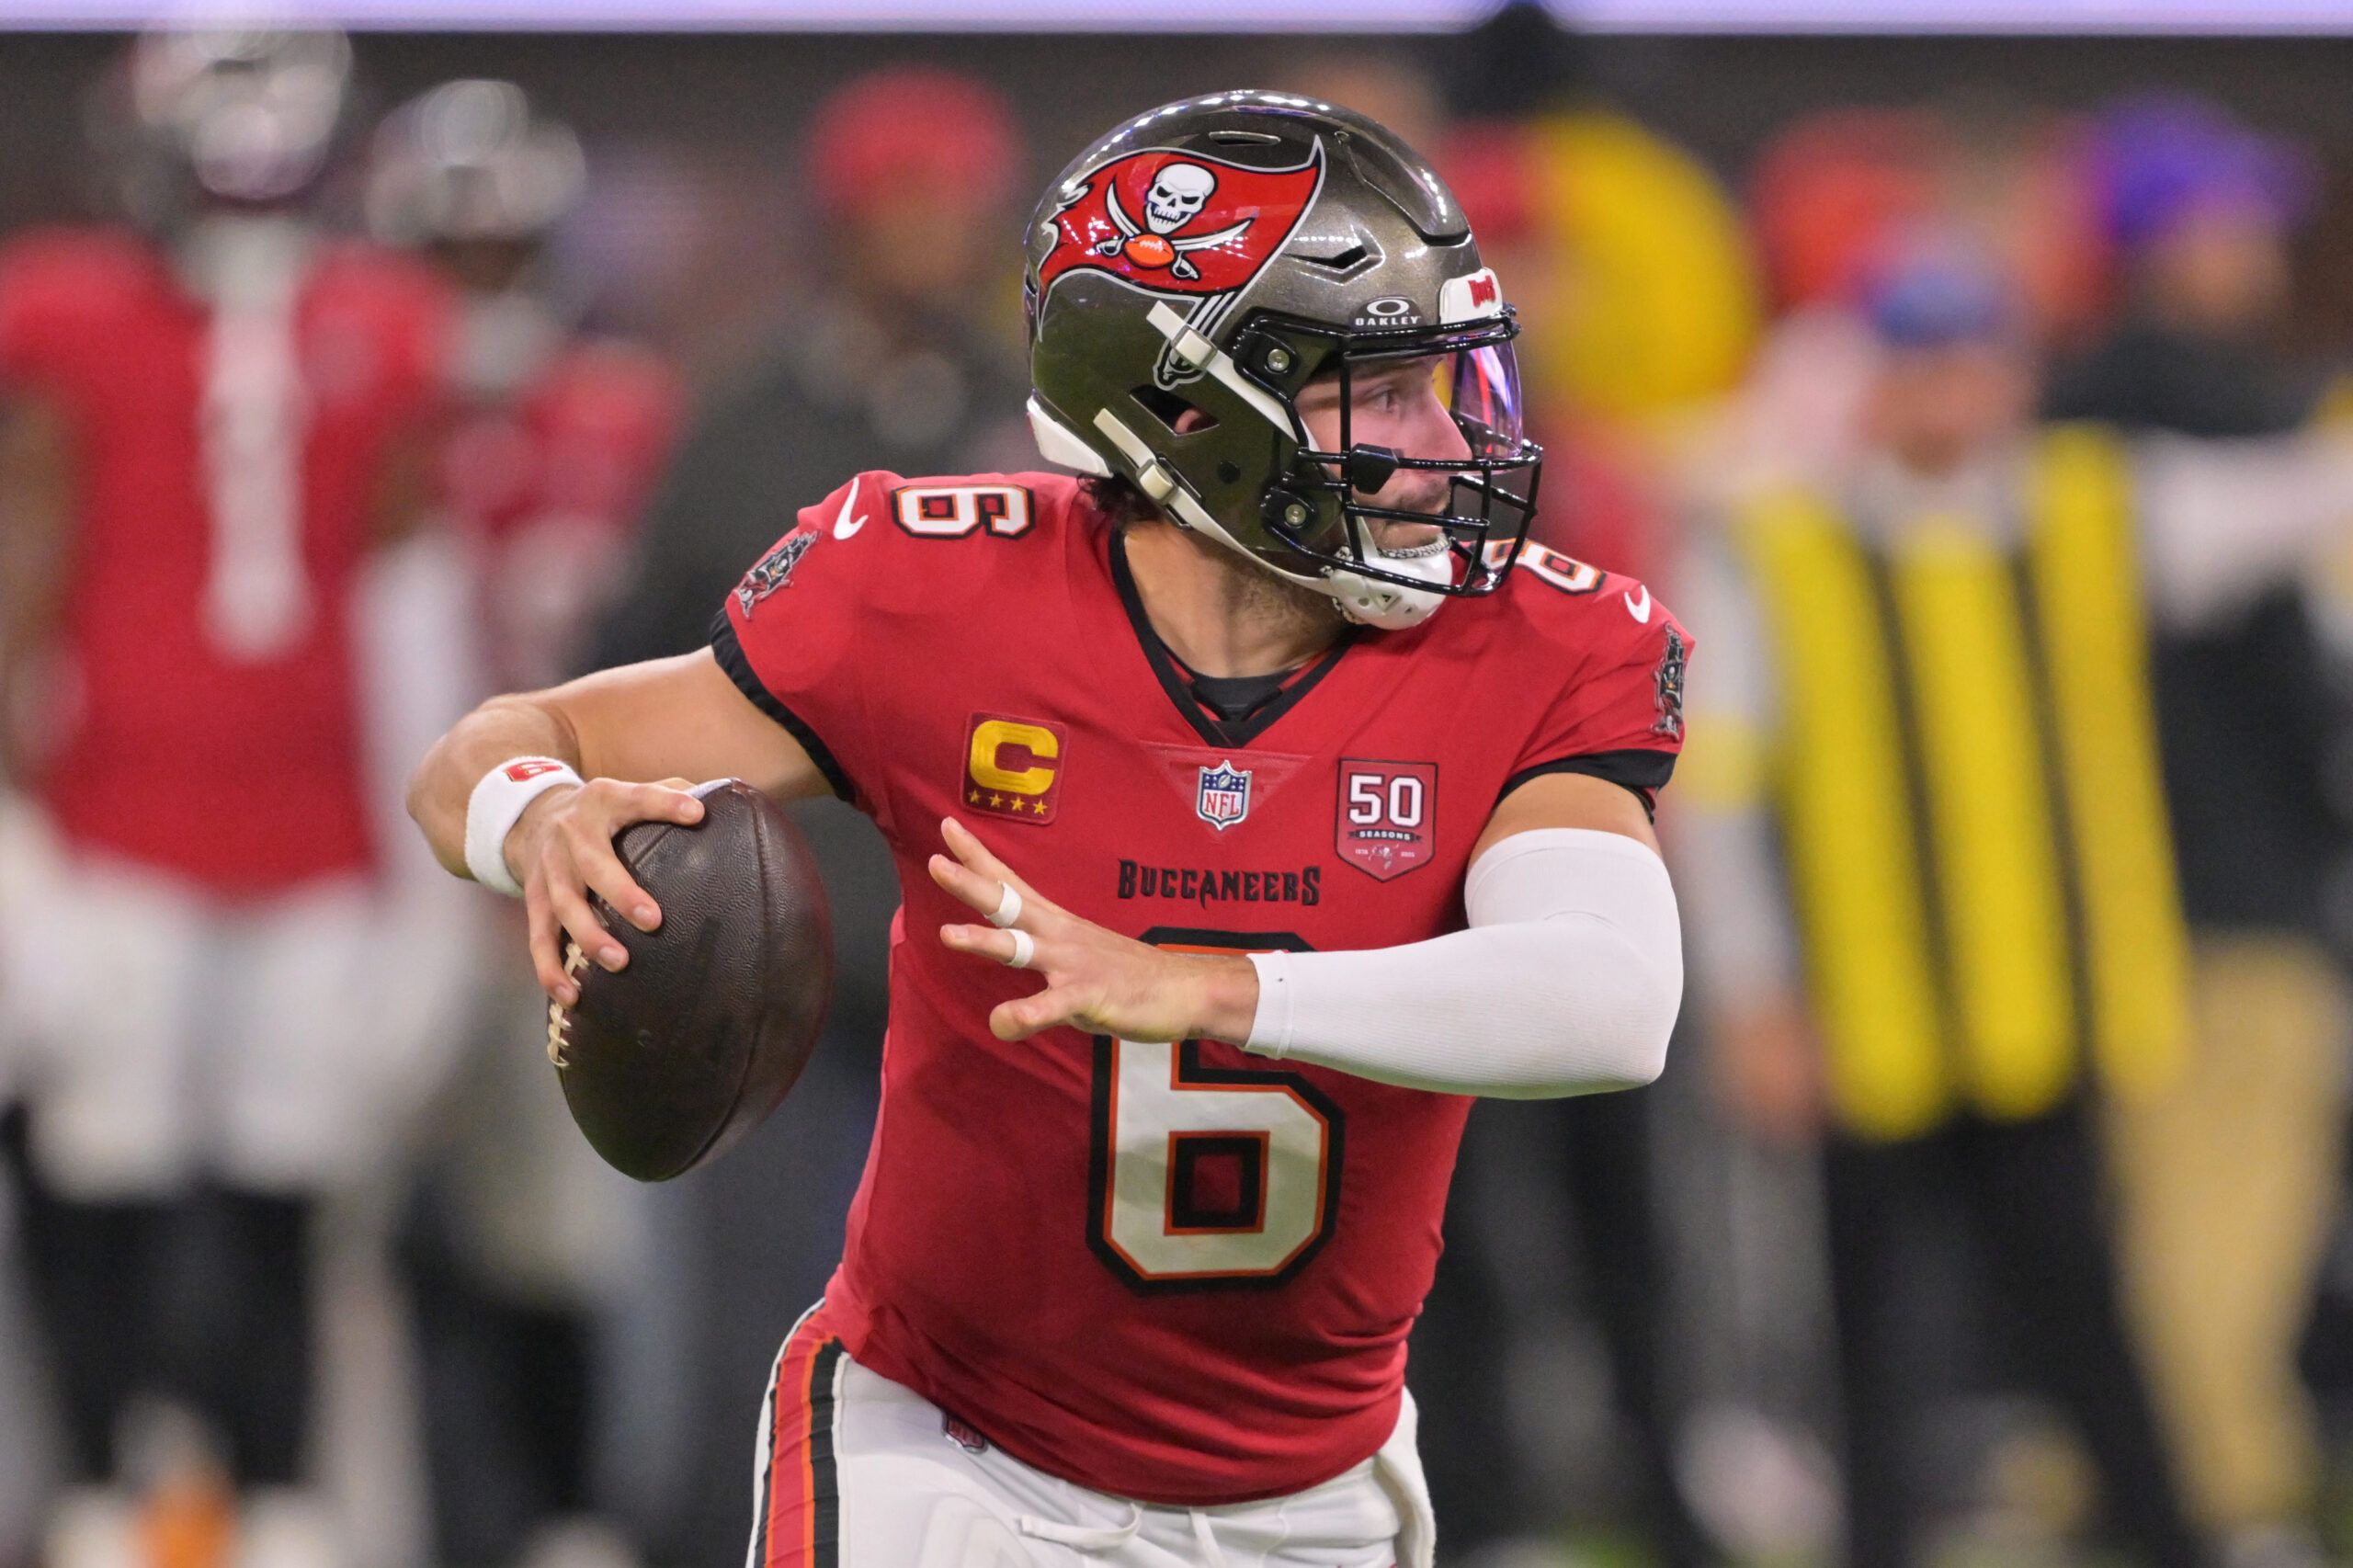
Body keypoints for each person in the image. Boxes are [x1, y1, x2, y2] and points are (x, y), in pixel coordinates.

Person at [409, 91, 1691, 1567]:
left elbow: (1613, 994)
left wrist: (1211, 983)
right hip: (953, 1452)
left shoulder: (1530, 641)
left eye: (1456, 383)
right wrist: (542, 816)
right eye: (1380, 390)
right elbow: (492, 747)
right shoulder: (934, 594)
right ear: (1186, 411)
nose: (1446, 441)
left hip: (1315, 1486)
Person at [0, 27, 453, 1568]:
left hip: (315, 832)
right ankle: (100, 1492)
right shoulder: (62, 314)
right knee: (100, 1168)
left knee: (289, 1179)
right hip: (106, 822)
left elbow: (411, 608)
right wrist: (11, 836)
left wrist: (433, 873)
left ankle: (268, 1496)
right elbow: (20, 568)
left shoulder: (387, 328)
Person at [364, 78, 680, 1568]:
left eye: (500, 250)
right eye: (454, 251)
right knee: (355, 1238)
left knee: (556, 1243)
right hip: (363, 874)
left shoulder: (624, 413)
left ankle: (562, 1519)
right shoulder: (357, 411)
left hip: (557, 881)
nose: (478, 282)